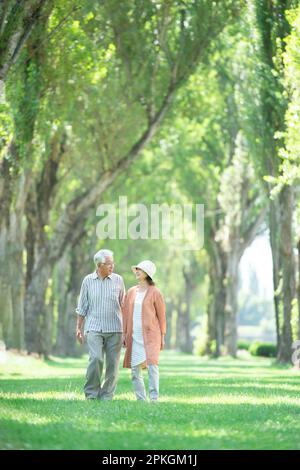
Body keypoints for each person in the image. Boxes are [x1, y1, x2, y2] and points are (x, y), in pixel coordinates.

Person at [76, 249, 125, 400]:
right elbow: (82, 306)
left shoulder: (118, 280)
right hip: (94, 327)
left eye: (112, 263)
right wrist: (78, 327)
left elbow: (124, 305)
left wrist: (126, 330)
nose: (112, 266)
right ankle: (91, 394)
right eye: (109, 263)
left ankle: (107, 396)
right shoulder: (88, 281)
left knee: (112, 365)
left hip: (115, 328)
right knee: (96, 358)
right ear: (99, 265)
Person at [122, 260, 166, 402]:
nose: (137, 271)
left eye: (140, 269)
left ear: (147, 273)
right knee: (135, 370)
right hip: (134, 335)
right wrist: (124, 333)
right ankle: (141, 399)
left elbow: (161, 316)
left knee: (152, 366)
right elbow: (125, 313)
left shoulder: (155, 292)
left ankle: (154, 399)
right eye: (136, 269)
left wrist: (162, 336)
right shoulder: (131, 292)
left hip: (152, 335)